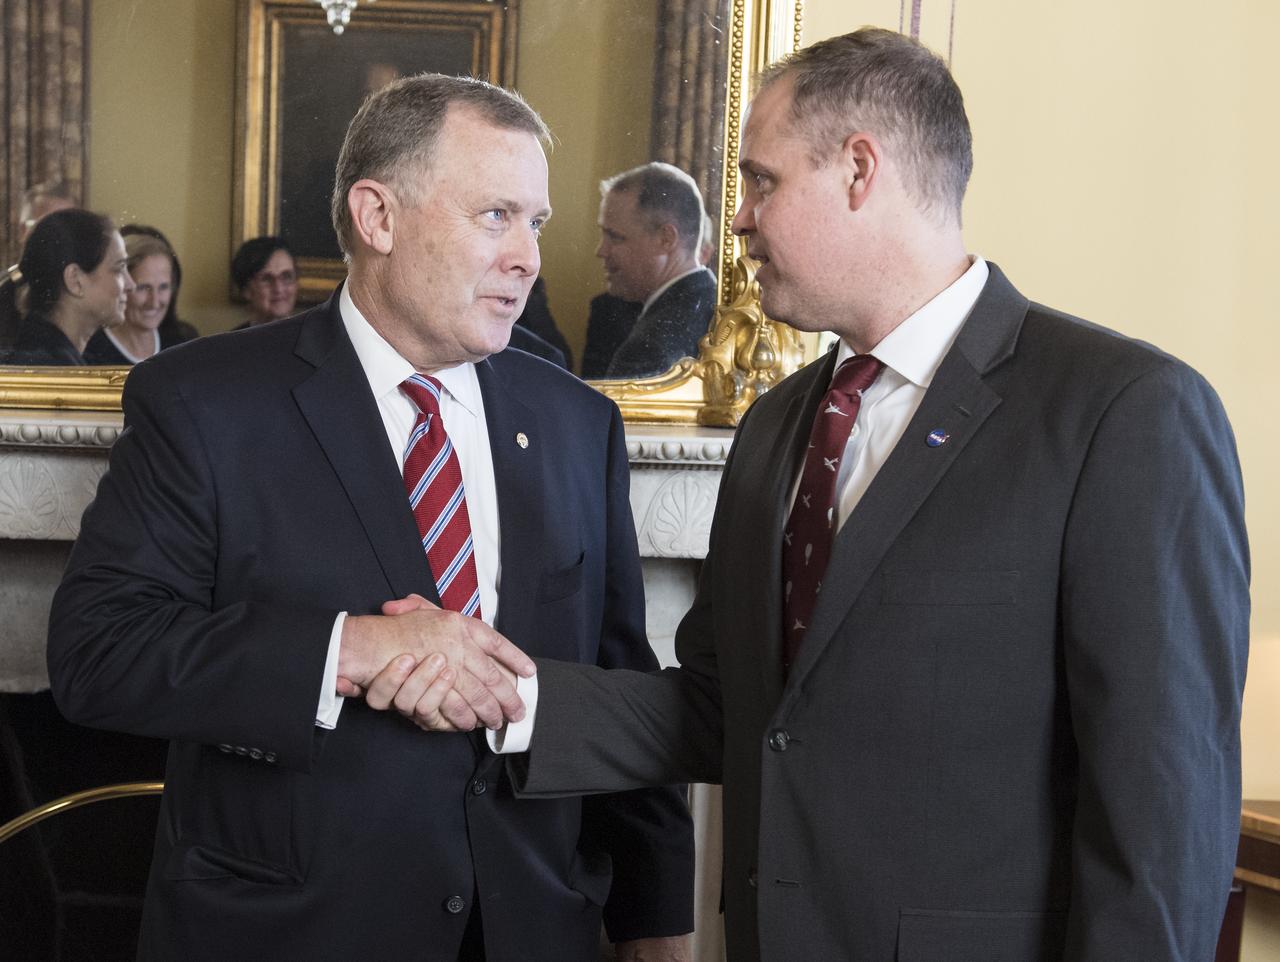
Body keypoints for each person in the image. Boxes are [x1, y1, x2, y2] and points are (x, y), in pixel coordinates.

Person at [380, 29, 1251, 961]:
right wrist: (504, 692)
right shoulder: (781, 424)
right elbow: (726, 709)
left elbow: (1163, 814)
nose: (740, 220)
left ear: (860, 170)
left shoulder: (1122, 412)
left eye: (761, 182)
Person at [46, 73, 693, 961]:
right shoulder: (204, 401)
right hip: (289, 933)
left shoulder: (578, 422)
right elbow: (98, 653)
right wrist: (348, 650)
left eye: (536, 224)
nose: (529, 259)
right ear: (378, 217)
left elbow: (618, 677)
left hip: (536, 931)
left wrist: (657, 924)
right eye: (495, 216)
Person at [596, 162, 717, 379]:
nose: (601, 251)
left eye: (614, 236)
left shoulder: (649, 348)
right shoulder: (716, 303)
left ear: (666, 239)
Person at [0, 208, 132, 365]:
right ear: (75, 280)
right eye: (118, 268)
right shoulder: (49, 368)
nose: (131, 284)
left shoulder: (44, 354)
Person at [83, 229, 198, 364]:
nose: (154, 302)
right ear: (121, 285)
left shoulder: (183, 342)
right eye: (143, 288)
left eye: (163, 287)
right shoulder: (90, 352)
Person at [230, 235, 298, 327]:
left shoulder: (317, 338)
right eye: (266, 279)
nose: (278, 289)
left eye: (286, 277)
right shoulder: (231, 341)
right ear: (246, 290)